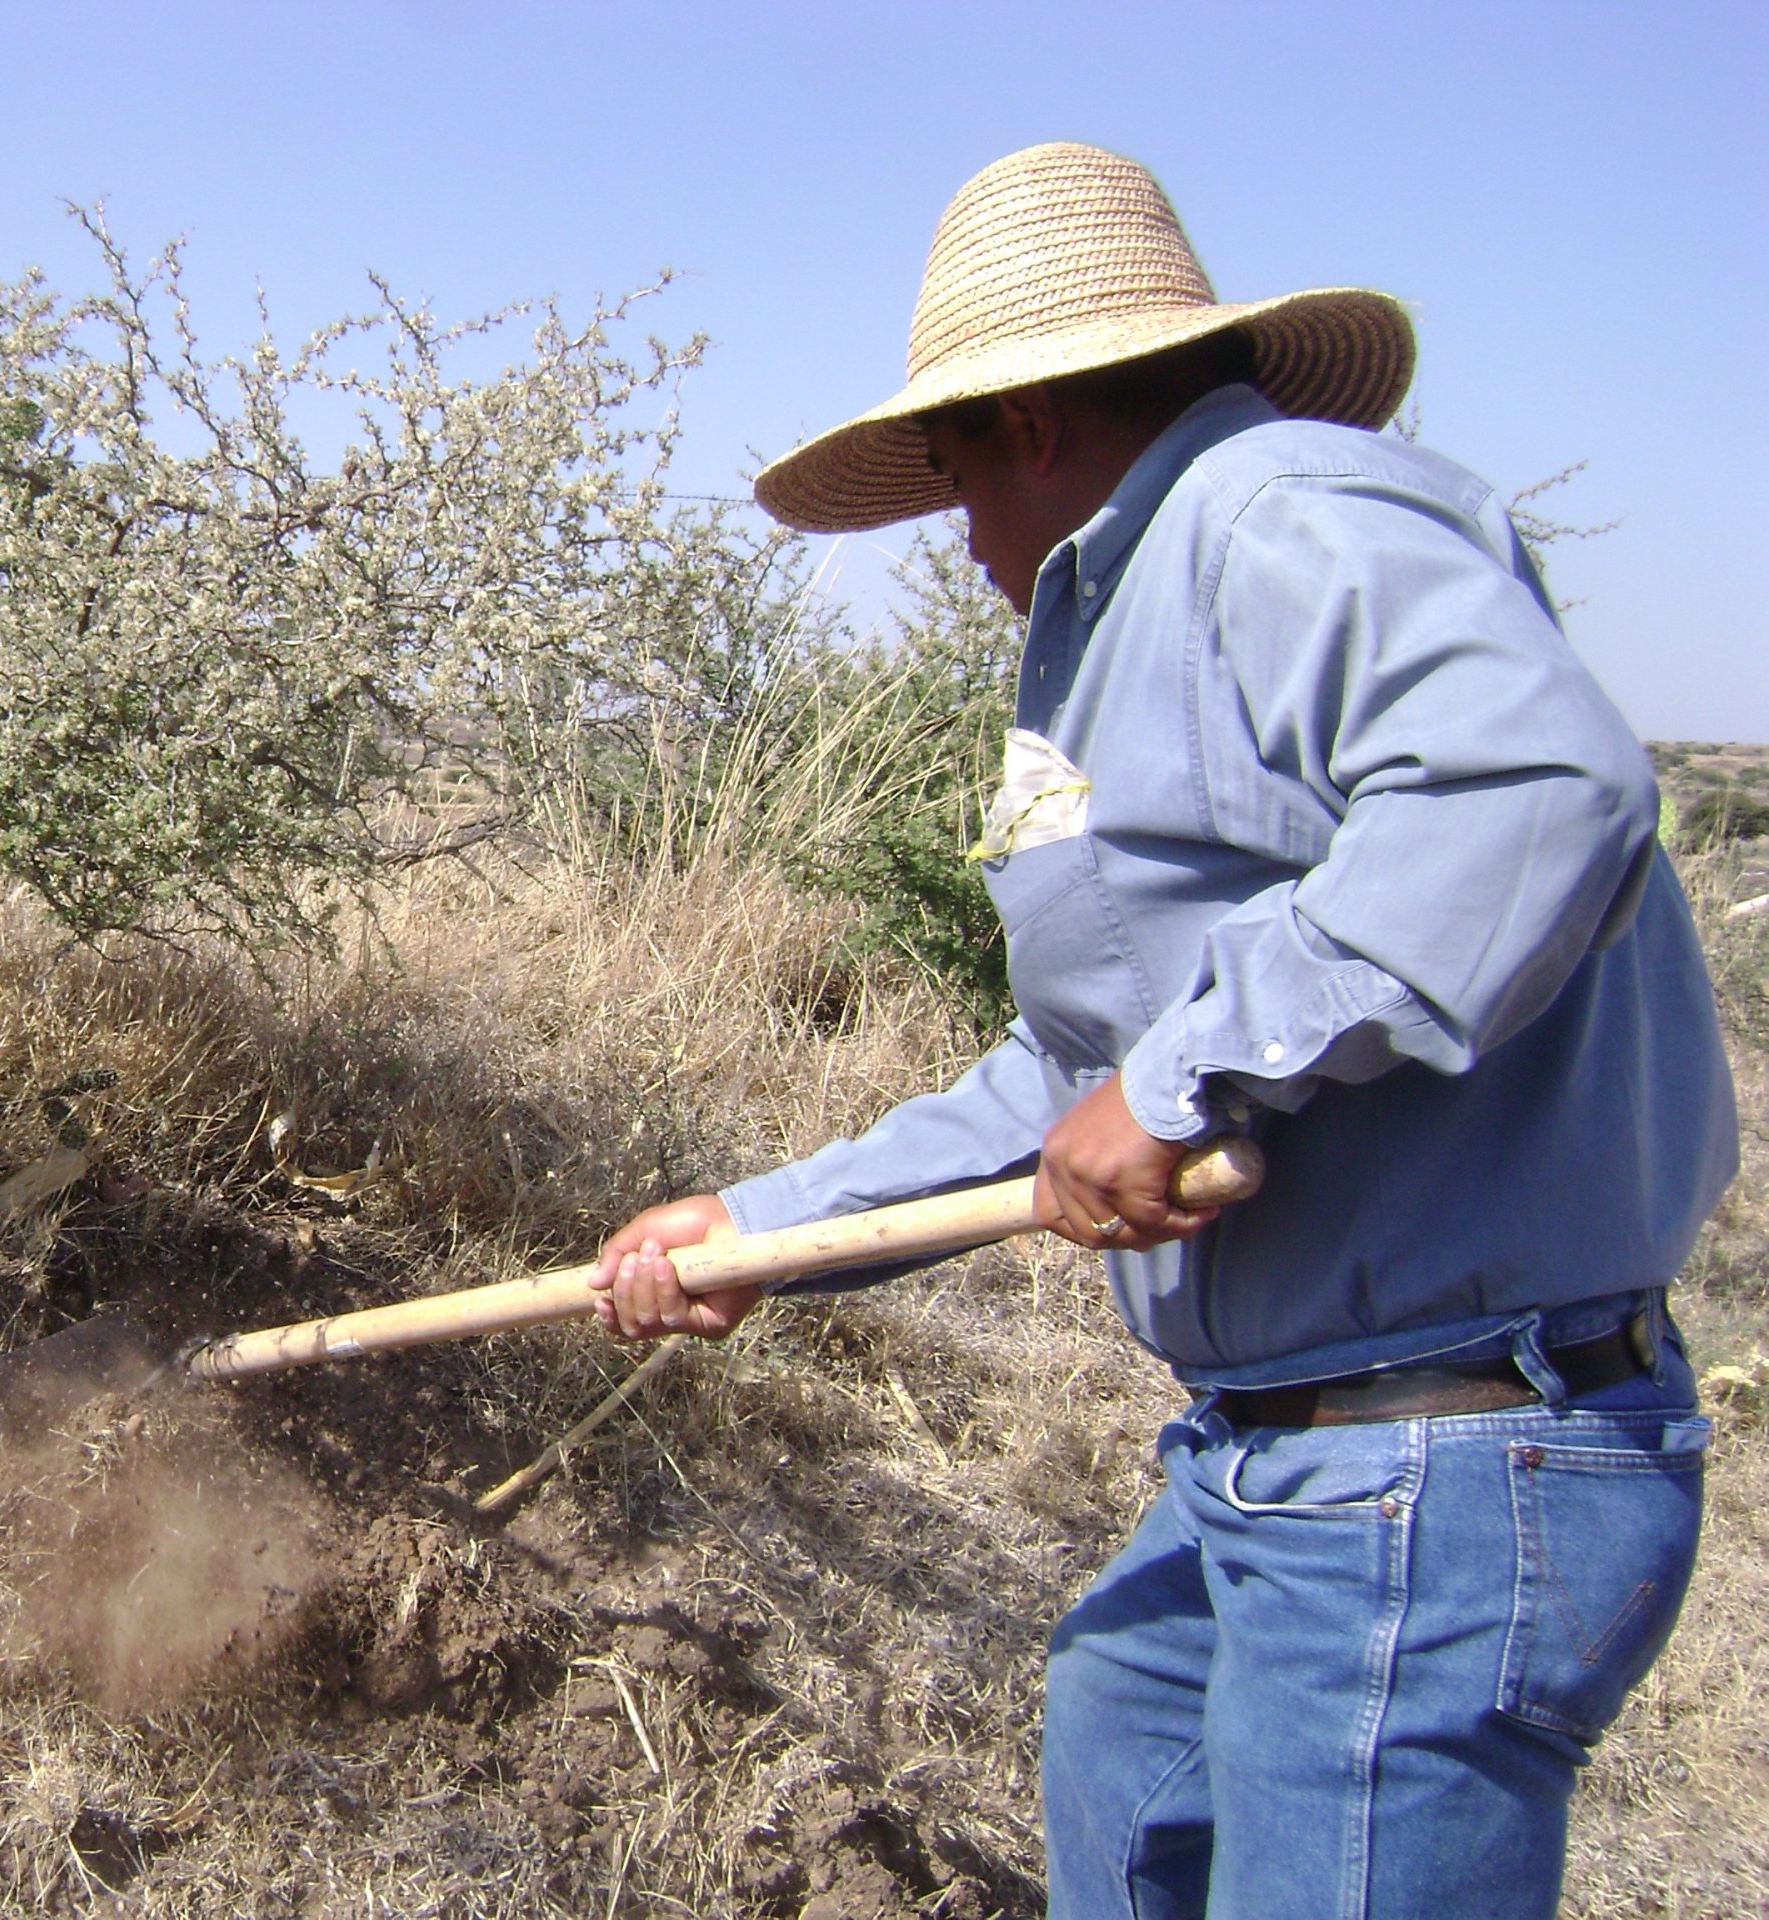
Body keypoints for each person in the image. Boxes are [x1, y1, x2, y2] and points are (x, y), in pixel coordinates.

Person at [589, 142, 1736, 1920]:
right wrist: (767, 1226)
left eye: (953, 472)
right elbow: (1082, 1073)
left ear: (1033, 422)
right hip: (1276, 1448)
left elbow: (1533, 786)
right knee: (1126, 1737)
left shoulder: (1279, 515)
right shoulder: (1126, 617)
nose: (957, 535)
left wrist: (1194, 1071)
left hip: (1429, 1461)